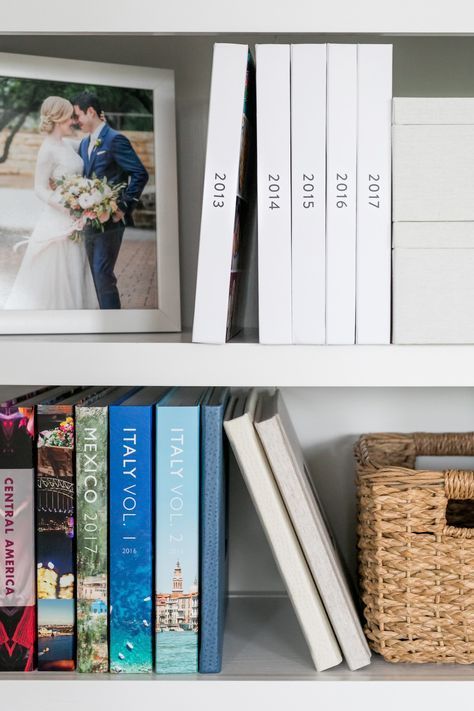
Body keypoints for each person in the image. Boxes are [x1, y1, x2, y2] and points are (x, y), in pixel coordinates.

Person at [5, 96, 98, 310]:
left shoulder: (68, 144)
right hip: (58, 219)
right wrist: (67, 204)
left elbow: (92, 142)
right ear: (58, 118)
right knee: (58, 270)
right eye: (69, 117)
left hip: (76, 219)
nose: (73, 121)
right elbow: (39, 187)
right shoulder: (47, 149)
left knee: (76, 266)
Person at [73, 92, 149, 309]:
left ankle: (113, 323)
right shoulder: (83, 144)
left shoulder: (115, 139)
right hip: (90, 221)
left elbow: (140, 174)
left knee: (103, 273)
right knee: (94, 274)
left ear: (90, 111)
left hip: (112, 221)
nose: (76, 121)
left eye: (78, 115)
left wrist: (123, 207)